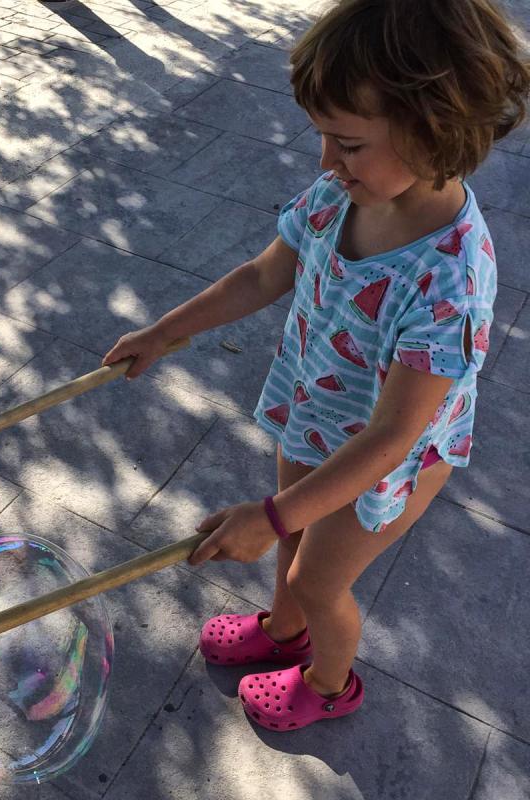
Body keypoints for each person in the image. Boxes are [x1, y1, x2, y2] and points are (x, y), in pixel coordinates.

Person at [102, 0, 529, 731]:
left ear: (436, 131)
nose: (326, 161)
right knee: (293, 540)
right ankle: (281, 632)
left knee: (318, 575)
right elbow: (262, 276)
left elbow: (394, 436)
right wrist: (165, 332)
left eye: (348, 142)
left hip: (390, 457)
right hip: (319, 406)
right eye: (324, 138)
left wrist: (267, 518)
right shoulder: (339, 195)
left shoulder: (451, 278)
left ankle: (330, 684)